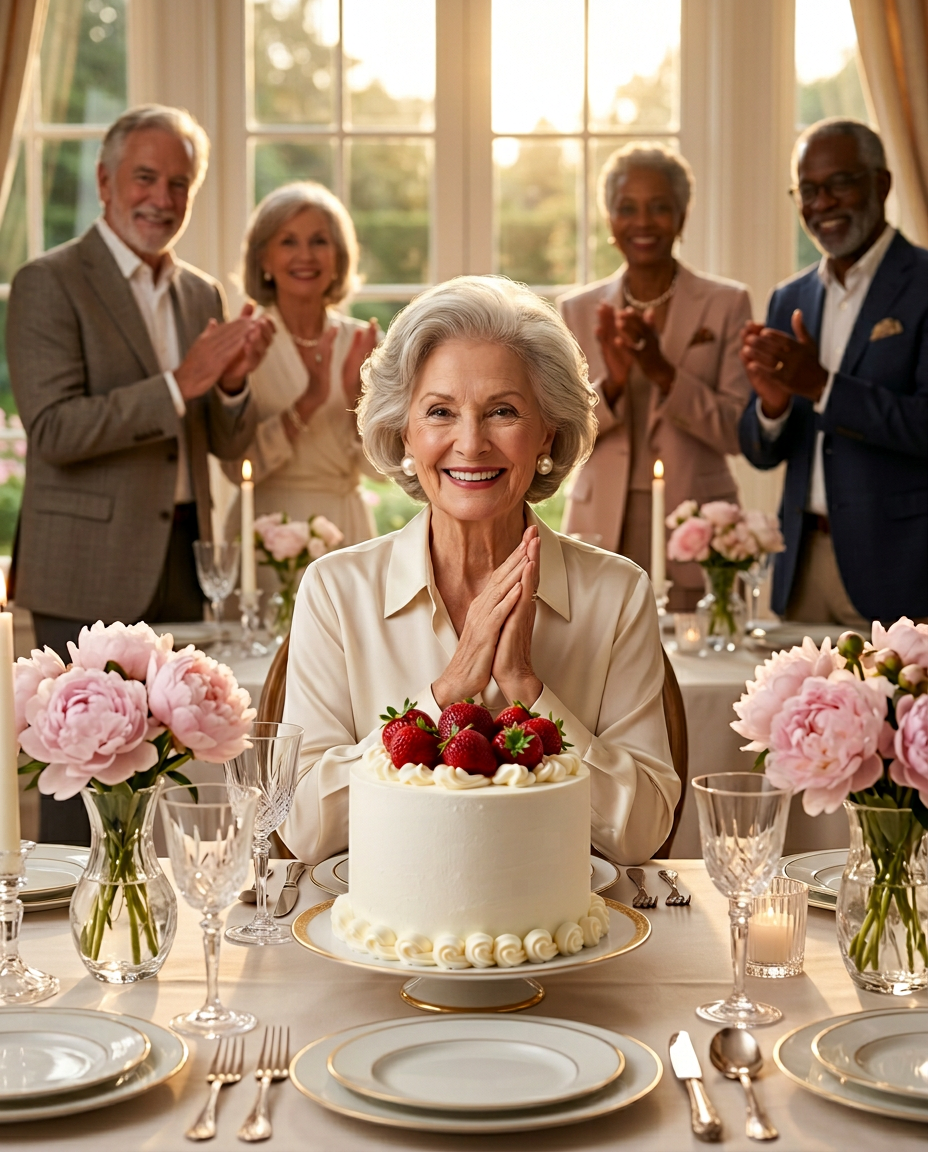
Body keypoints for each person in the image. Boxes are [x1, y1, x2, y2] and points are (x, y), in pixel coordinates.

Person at [278, 276, 679, 866]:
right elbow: (303, 828)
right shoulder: (336, 591)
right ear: (404, 432)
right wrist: (446, 693)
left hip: (568, 935)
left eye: (503, 412)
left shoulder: (616, 593)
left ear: (547, 432)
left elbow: (641, 833)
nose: (470, 443)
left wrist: (527, 689)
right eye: (440, 411)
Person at [7, 103, 272, 843]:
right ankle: (70, 950)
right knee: (77, 785)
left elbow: (225, 442)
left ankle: (168, 938)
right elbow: (54, 429)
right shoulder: (48, 282)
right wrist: (181, 381)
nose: (163, 198)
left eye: (180, 183)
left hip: (185, 559)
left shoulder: (200, 294)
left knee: (178, 774)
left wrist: (229, 384)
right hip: (85, 571)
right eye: (146, 177)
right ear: (103, 180)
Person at [739, 118, 927, 625]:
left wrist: (821, 387)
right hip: (802, 567)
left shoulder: (924, 283)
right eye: (808, 190)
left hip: (902, 571)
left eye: (839, 183)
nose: (821, 203)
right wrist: (773, 406)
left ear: (881, 184)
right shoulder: (790, 297)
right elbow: (760, 450)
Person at [558, 143, 753, 611]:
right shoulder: (577, 310)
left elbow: (737, 431)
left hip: (698, 526)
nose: (643, 222)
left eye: (660, 207)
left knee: (697, 672)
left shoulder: (726, 303)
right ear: (610, 221)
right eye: (627, 208)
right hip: (601, 520)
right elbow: (559, 434)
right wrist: (615, 384)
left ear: (682, 217)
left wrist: (667, 375)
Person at [223, 183, 380, 572]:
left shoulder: (363, 342)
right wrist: (307, 403)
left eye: (319, 241)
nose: (305, 255)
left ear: (339, 258)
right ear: (264, 258)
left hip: (345, 531)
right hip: (262, 531)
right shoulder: (244, 343)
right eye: (288, 241)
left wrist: (356, 402)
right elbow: (234, 467)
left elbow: (387, 469)